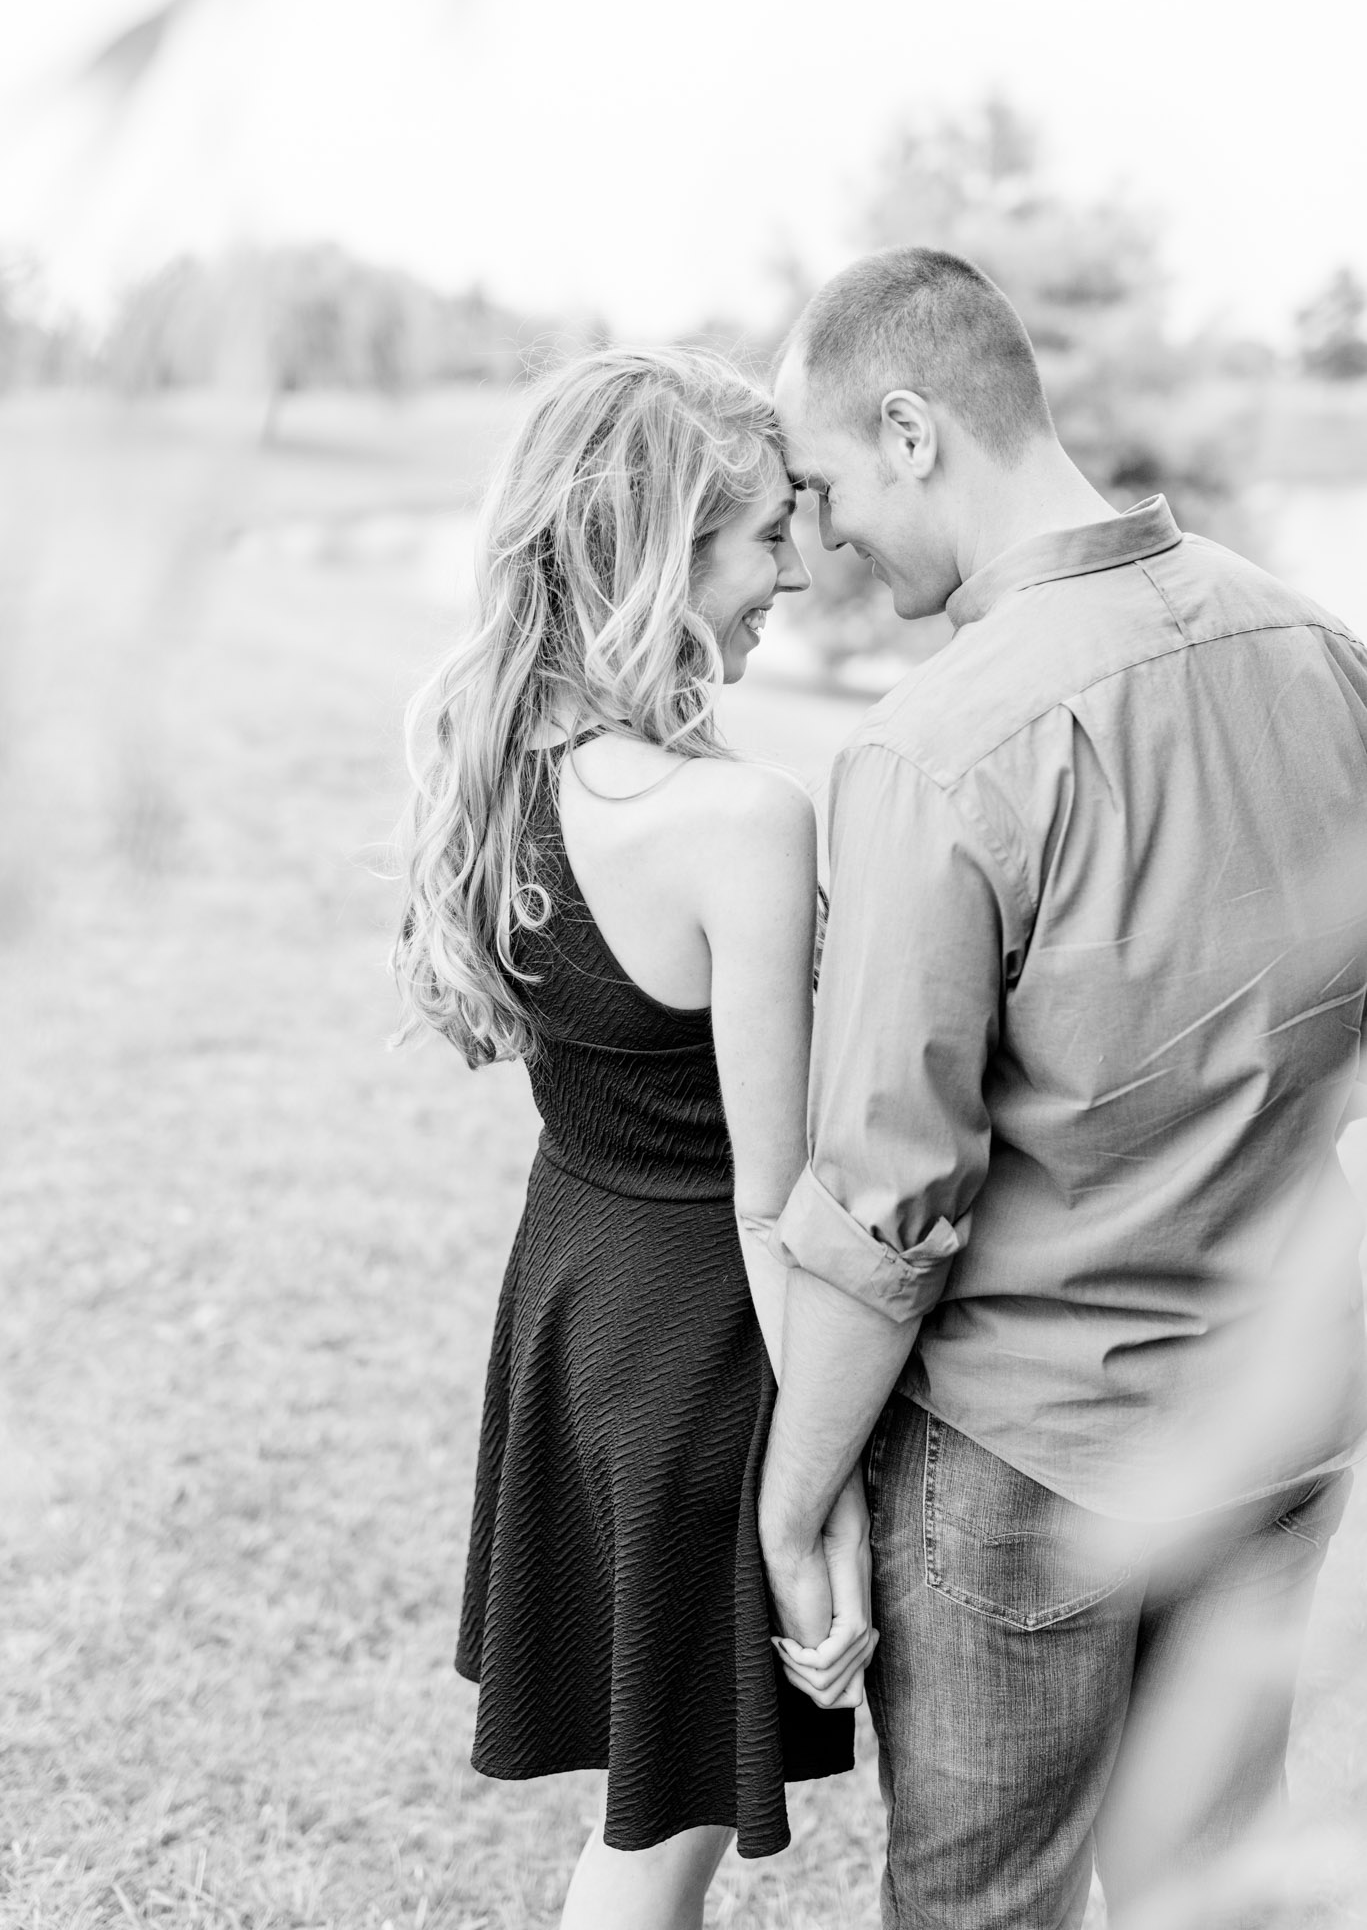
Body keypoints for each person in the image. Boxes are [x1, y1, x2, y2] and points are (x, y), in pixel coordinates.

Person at [757, 247, 1367, 1929]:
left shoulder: (940, 745)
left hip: (1022, 1467)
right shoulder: (1323, 650)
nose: (814, 552)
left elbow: (889, 1205)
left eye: (815, 490)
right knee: (1202, 1899)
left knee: (980, 1913)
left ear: (910, 430)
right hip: (1278, 1420)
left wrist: (795, 1498)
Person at [391, 347, 874, 1930]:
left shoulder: (502, 769)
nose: (793, 576)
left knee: (643, 1821)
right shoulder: (735, 824)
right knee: (654, 1848)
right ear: (661, 554)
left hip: (578, 1317)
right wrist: (814, 1510)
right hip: (709, 1360)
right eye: (758, 541)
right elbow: (771, 1203)